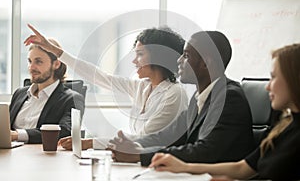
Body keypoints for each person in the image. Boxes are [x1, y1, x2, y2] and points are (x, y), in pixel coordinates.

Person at [149, 43, 300, 181]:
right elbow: (242, 168)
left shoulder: (229, 96)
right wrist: (183, 167)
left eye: (273, 77)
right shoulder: (284, 126)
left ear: (295, 79)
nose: (267, 87)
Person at [24, 24, 189, 149]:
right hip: (137, 162)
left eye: (140, 54)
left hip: (157, 167)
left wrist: (90, 143)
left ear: (158, 57)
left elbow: (144, 139)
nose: (134, 61)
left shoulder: (174, 94)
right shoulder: (142, 87)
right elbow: (98, 77)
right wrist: (54, 50)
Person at [107, 31, 254, 166]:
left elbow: (205, 152)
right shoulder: (198, 99)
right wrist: (131, 145)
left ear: (205, 63)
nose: (179, 60)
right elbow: (167, 137)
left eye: (186, 55)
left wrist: (140, 155)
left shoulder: (229, 98)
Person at [10, 38, 85, 144]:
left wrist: (17, 135)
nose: (31, 67)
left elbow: (65, 132)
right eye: (30, 61)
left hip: (43, 156)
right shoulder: (19, 94)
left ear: (56, 64)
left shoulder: (72, 99)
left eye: (38, 61)